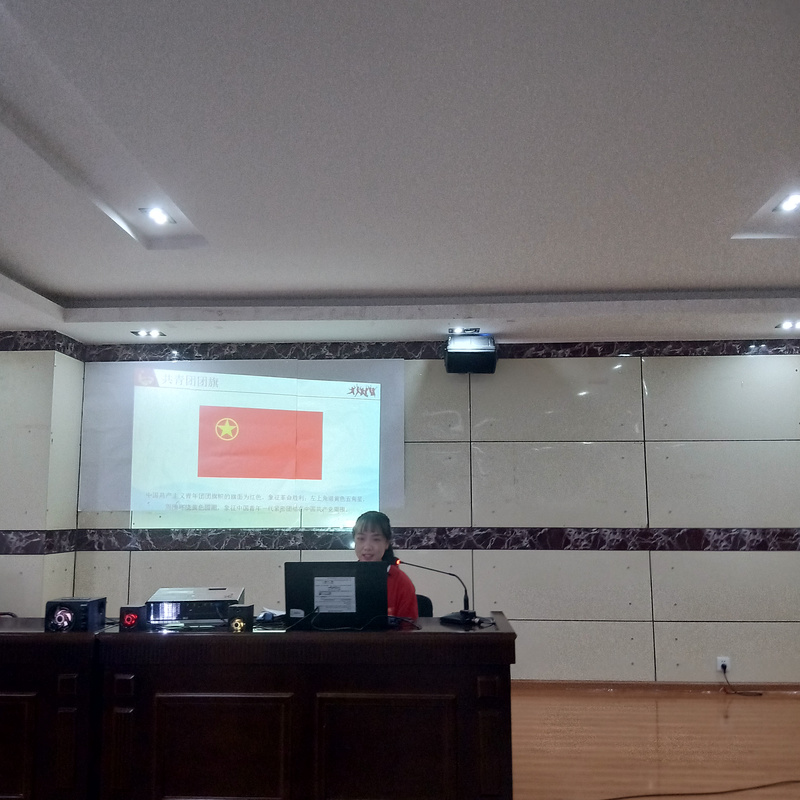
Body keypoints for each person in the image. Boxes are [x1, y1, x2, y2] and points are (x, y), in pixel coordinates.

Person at [352, 511, 418, 621]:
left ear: (386, 543)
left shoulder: (401, 582)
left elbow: (409, 627)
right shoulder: (345, 577)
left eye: (376, 539)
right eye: (361, 539)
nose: (367, 547)